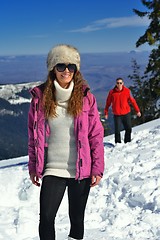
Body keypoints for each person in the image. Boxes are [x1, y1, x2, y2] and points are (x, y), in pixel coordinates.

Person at [28, 44, 104, 240]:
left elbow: (95, 135)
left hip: (81, 170)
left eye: (71, 66)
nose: (66, 71)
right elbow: (33, 136)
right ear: (53, 69)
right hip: (53, 168)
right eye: (61, 66)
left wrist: (97, 168)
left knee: (77, 219)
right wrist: (33, 166)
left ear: (76, 69)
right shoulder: (40, 99)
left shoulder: (87, 98)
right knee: (46, 218)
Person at [104, 77, 141, 144]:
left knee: (128, 129)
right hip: (117, 114)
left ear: (123, 83)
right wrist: (106, 112)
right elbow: (108, 102)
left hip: (126, 113)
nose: (119, 84)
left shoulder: (127, 91)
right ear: (116, 84)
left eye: (120, 83)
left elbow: (133, 101)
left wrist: (137, 110)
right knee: (117, 130)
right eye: (118, 83)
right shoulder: (112, 92)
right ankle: (118, 144)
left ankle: (127, 142)